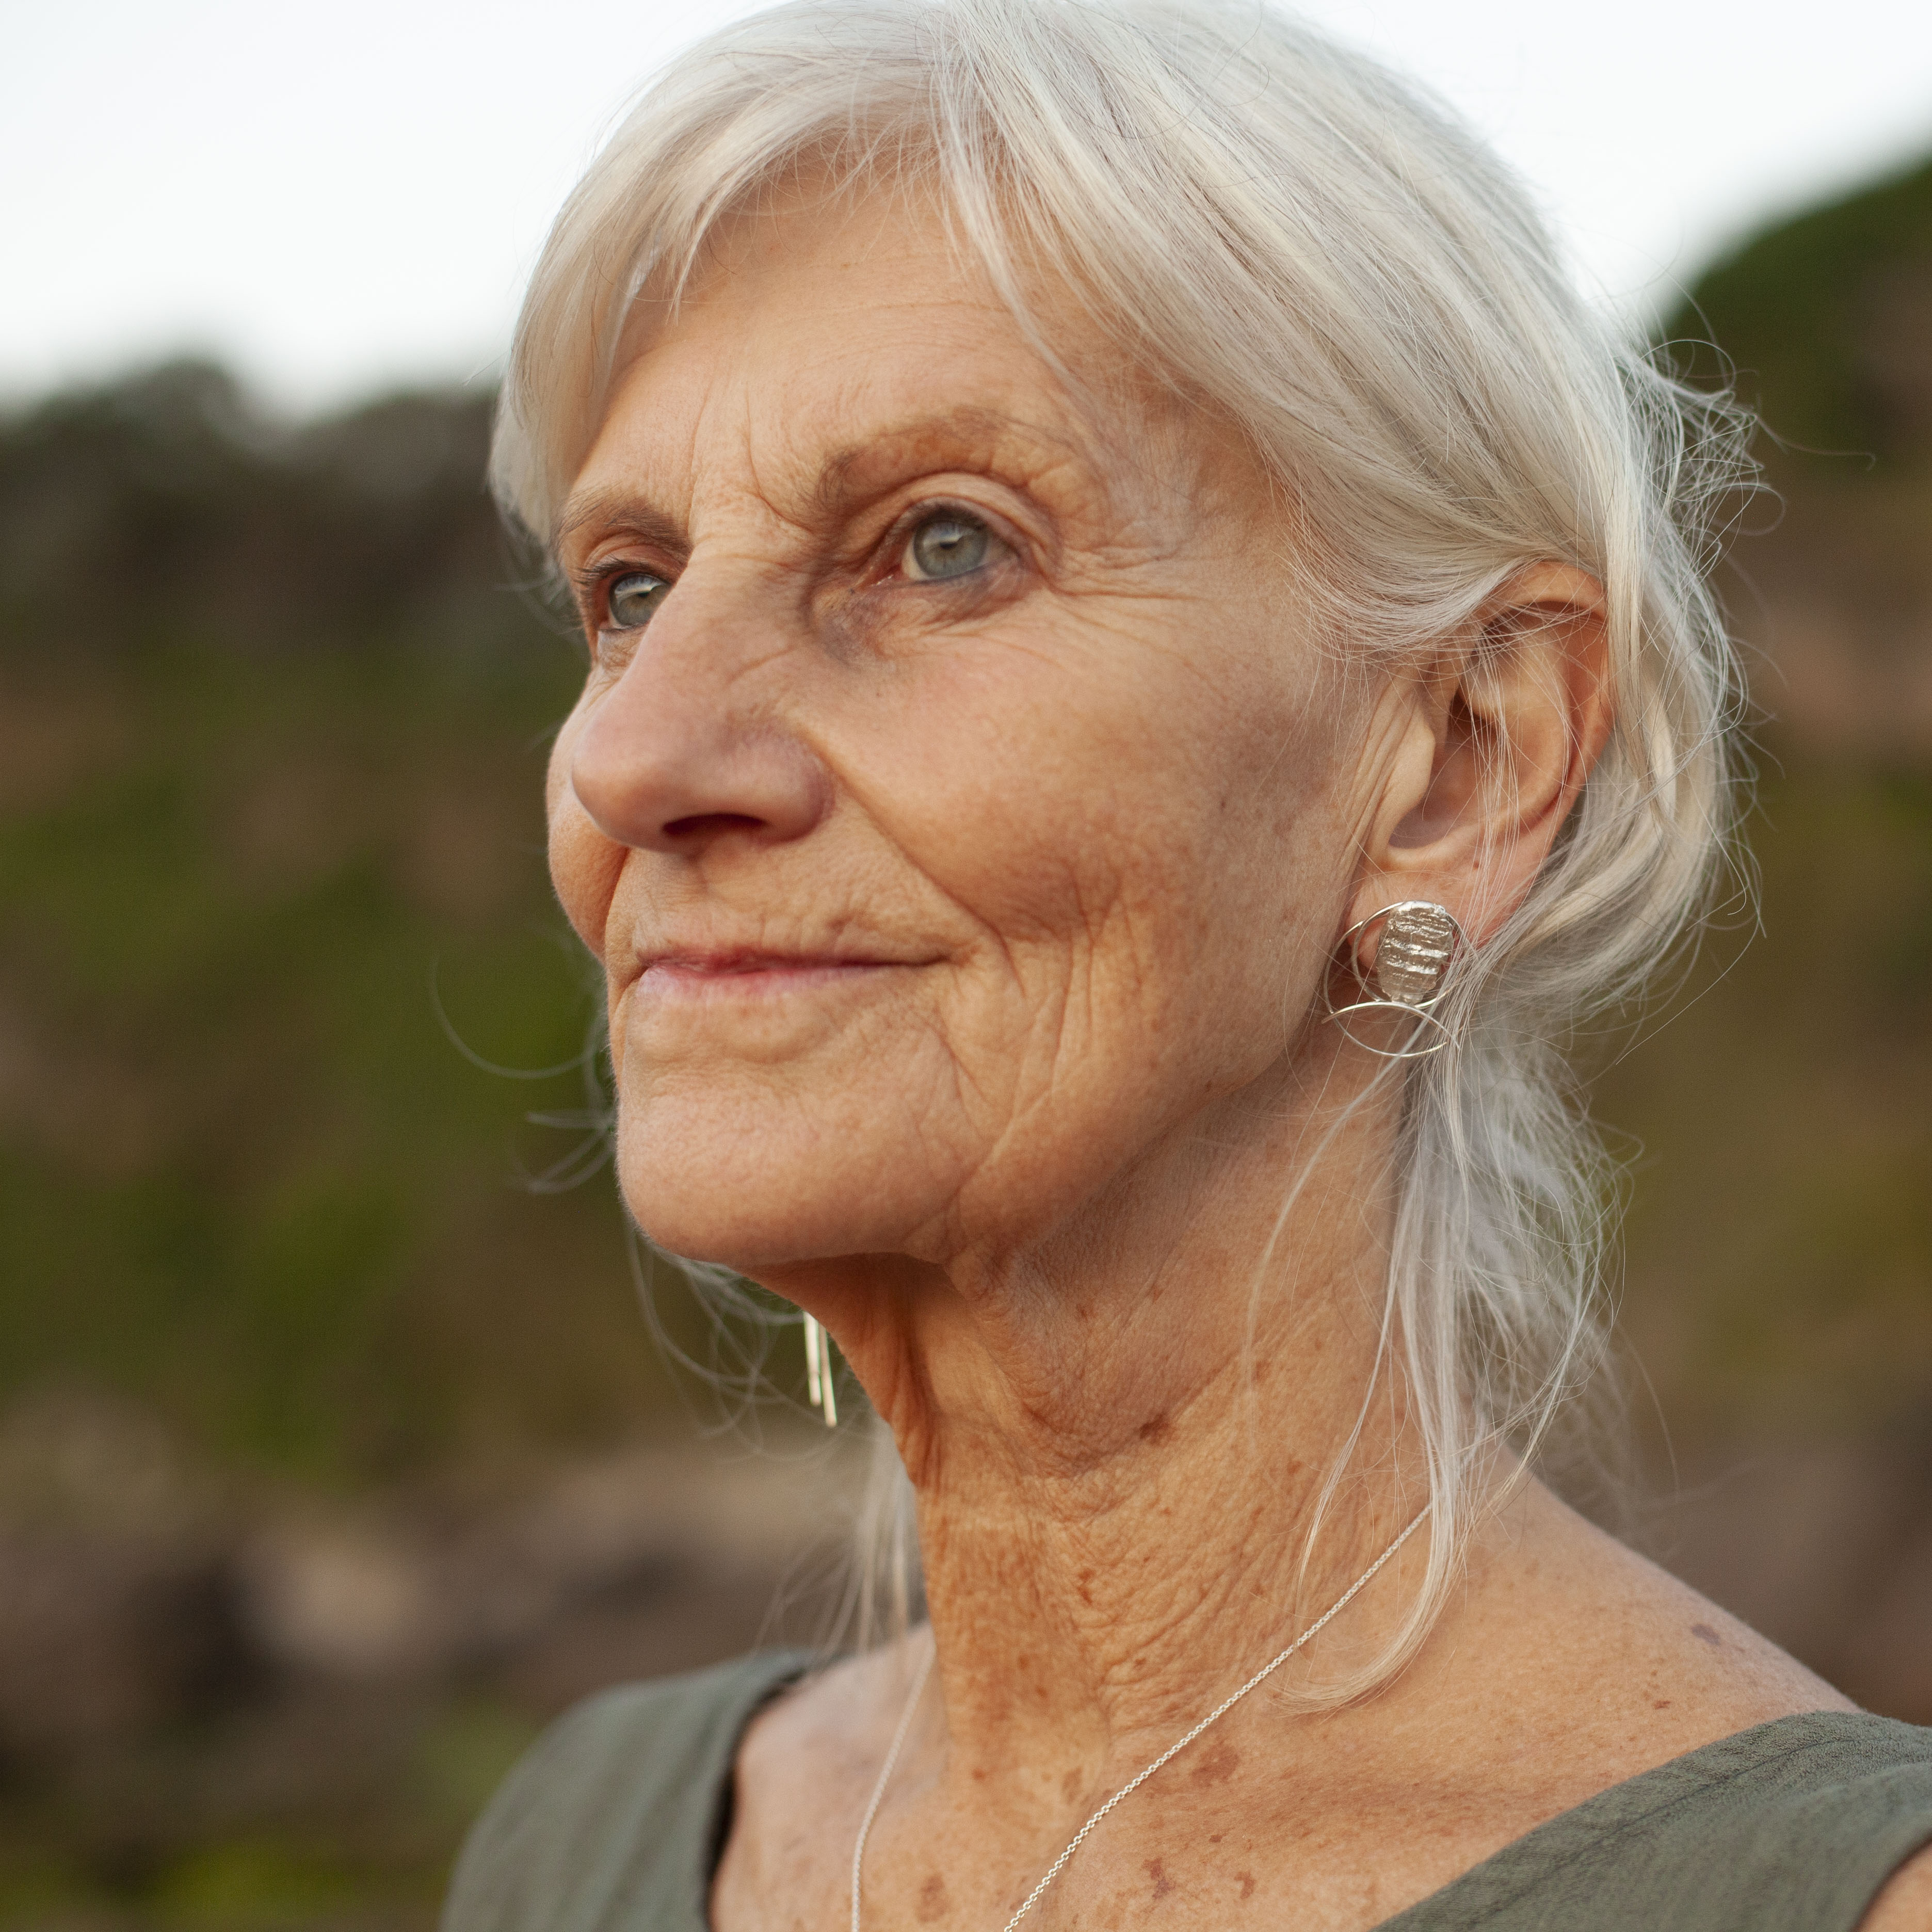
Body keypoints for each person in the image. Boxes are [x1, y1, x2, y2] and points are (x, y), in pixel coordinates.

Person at [443, 2, 1932, 1926]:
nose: (633, 757)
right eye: (631, 589)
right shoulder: (583, 1846)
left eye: (946, 547)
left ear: (1460, 761)